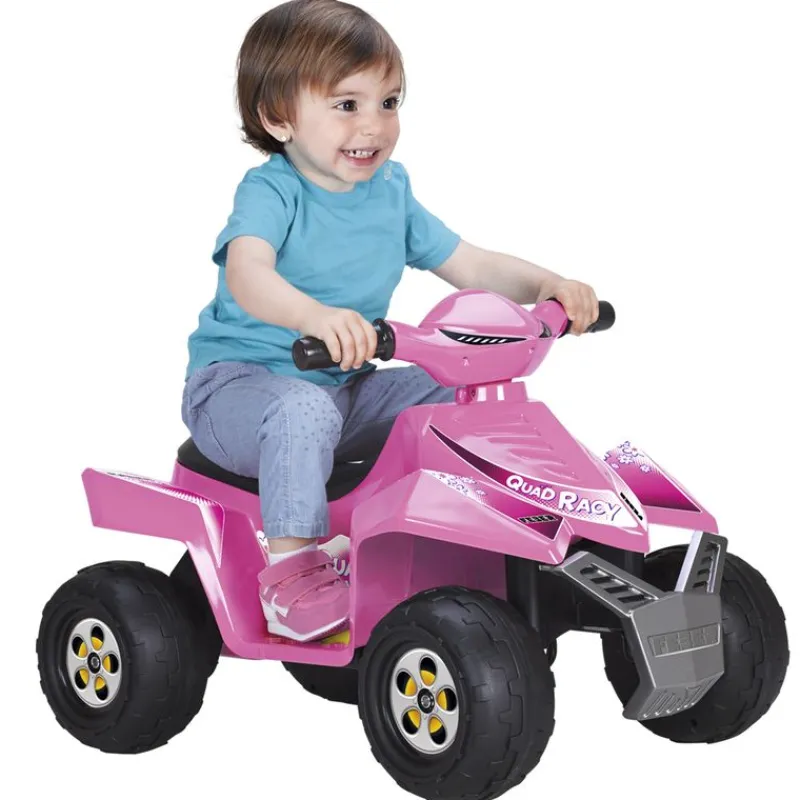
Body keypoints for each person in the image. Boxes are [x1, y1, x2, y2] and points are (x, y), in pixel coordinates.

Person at [182, 0, 599, 642]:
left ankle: (476, 527)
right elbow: (248, 272)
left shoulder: (390, 192)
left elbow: (470, 262)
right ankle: (292, 574)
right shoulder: (273, 192)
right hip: (239, 390)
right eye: (347, 105)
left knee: (461, 395)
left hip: (344, 388)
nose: (373, 125)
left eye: (389, 102)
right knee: (300, 411)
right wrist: (314, 316)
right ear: (278, 117)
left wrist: (548, 286)